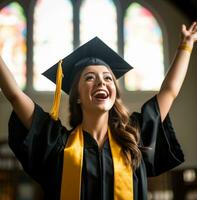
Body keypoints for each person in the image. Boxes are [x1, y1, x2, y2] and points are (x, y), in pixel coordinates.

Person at [0, 21, 196, 200]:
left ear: (114, 93)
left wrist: (186, 45)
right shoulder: (56, 142)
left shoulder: (134, 137)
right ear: (77, 95)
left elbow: (169, 92)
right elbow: (15, 95)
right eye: (90, 77)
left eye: (108, 78)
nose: (101, 81)